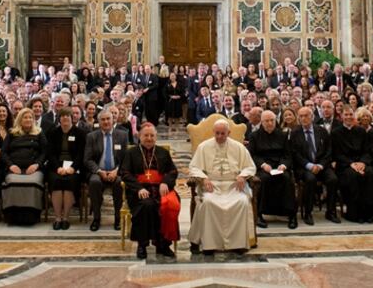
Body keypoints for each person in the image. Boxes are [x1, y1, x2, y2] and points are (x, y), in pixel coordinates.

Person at [188, 119, 257, 254]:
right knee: (208, 203)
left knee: (242, 202)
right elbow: (194, 167)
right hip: (211, 186)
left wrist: (242, 175)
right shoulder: (204, 147)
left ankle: (238, 244)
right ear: (213, 132)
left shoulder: (238, 147)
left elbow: (250, 166)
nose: (219, 137)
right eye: (217, 133)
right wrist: (204, 178)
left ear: (229, 133)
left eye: (223, 134)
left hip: (233, 185)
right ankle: (209, 245)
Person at [120, 123, 179, 259]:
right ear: (139, 136)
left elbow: (173, 171)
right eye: (146, 135)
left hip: (161, 189)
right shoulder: (131, 153)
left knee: (169, 205)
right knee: (147, 205)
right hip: (139, 191)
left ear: (156, 137)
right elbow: (125, 173)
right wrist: (138, 188)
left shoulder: (162, 152)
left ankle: (163, 244)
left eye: (152, 135)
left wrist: (165, 182)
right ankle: (142, 244)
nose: (149, 138)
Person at [289, 106, 340, 224]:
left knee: (333, 179)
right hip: (304, 167)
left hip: (321, 165)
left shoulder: (322, 131)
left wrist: (321, 166)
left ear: (312, 117)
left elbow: (328, 152)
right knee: (310, 179)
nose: (303, 118)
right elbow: (295, 154)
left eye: (306, 115)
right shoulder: (295, 133)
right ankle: (308, 213)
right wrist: (310, 166)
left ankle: (331, 212)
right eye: (301, 116)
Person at [249, 110, 296, 229]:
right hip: (263, 168)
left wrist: (283, 165)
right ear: (261, 122)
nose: (269, 123)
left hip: (279, 167)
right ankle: (259, 214)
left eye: (272, 120)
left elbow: (287, 155)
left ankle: (291, 215)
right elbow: (252, 155)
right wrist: (263, 165)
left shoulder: (283, 135)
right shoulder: (254, 136)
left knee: (287, 180)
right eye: (266, 121)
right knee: (264, 180)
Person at [1, 108, 47, 226]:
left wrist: (37, 164)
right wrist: (11, 165)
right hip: (14, 168)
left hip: (33, 168)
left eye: (30, 117)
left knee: (34, 182)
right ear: (20, 119)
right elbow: (3, 153)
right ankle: (12, 216)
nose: (28, 120)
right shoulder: (12, 133)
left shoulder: (39, 133)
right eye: (25, 117)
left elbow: (45, 152)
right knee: (12, 181)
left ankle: (31, 215)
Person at [85, 110, 127, 231]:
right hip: (98, 172)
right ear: (99, 122)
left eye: (108, 119)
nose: (106, 122)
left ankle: (118, 218)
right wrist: (99, 171)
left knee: (119, 183)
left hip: (116, 171)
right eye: (103, 119)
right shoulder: (92, 136)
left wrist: (116, 171)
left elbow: (126, 159)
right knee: (94, 183)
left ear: (113, 120)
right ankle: (96, 218)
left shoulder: (122, 135)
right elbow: (87, 159)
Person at [332, 107, 373, 223]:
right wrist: (351, 164)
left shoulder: (361, 131)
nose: (348, 117)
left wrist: (362, 163)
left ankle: (369, 212)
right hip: (345, 165)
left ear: (354, 116)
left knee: (370, 173)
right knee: (353, 176)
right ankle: (354, 214)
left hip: (361, 162)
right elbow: (337, 154)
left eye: (351, 114)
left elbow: (367, 151)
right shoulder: (336, 133)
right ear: (341, 117)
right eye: (346, 115)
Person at [45, 109, 84, 229]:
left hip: (74, 166)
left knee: (69, 181)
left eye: (67, 115)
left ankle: (66, 218)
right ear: (59, 118)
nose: (65, 118)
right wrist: (58, 168)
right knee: (55, 180)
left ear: (72, 117)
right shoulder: (53, 132)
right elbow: (50, 154)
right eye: (62, 116)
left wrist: (73, 168)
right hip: (56, 166)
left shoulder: (80, 133)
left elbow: (81, 154)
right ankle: (57, 218)